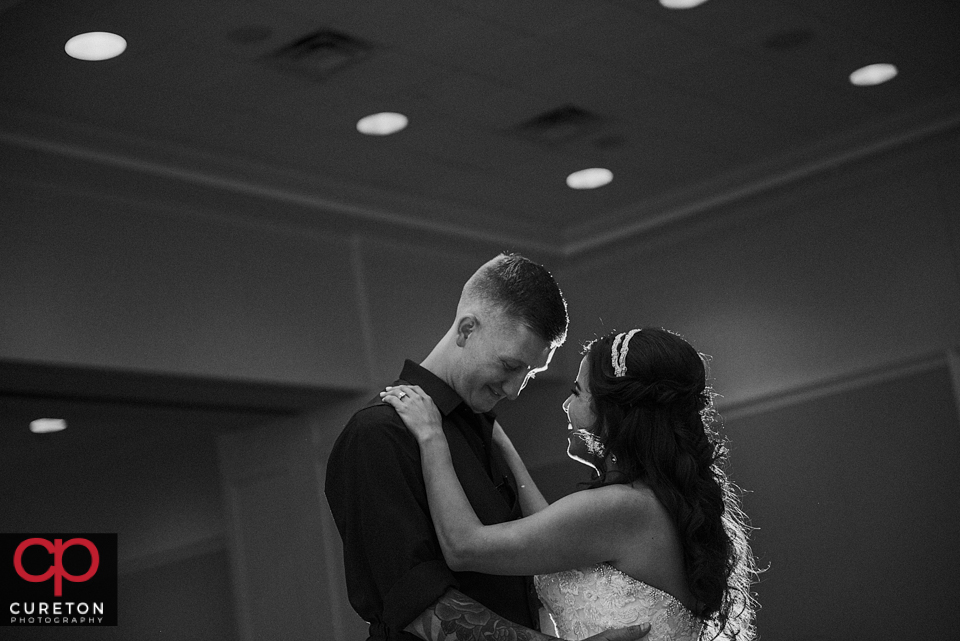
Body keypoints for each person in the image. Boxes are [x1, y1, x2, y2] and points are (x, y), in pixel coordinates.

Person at [325, 253, 650, 641]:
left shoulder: (486, 431)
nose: (514, 391)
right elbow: (419, 608)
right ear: (466, 330)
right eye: (511, 366)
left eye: (529, 375)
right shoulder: (379, 434)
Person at [380, 327, 760, 641]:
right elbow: (554, 529)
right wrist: (498, 439)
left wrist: (432, 437)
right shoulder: (649, 504)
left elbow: (464, 547)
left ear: (613, 414)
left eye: (576, 392)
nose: (565, 406)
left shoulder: (620, 508)